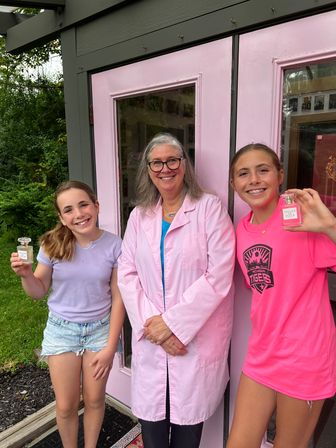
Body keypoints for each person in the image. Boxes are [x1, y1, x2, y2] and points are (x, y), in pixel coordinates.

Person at [117, 132, 235, 448]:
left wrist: (173, 326)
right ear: (148, 168)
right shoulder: (139, 216)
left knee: (186, 437)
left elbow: (218, 276)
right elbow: (126, 274)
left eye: (173, 160)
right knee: (153, 433)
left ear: (184, 165)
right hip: (153, 338)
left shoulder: (209, 208)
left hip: (192, 341)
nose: (165, 168)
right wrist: (155, 327)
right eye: (157, 162)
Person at [227, 143, 336, 448]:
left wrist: (328, 226)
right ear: (233, 184)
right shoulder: (242, 230)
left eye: (263, 170)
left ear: (279, 175)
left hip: (306, 357)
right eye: (243, 173)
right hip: (263, 353)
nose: (254, 180)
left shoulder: (301, 219)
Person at [10, 180, 125, 448]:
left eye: (84, 205)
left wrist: (111, 346)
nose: (79, 214)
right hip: (62, 331)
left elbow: (119, 297)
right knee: (65, 405)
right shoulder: (52, 244)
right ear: (61, 217)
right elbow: (38, 291)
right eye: (69, 209)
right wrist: (26, 275)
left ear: (96, 206)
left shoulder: (114, 245)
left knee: (96, 399)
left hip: (99, 330)